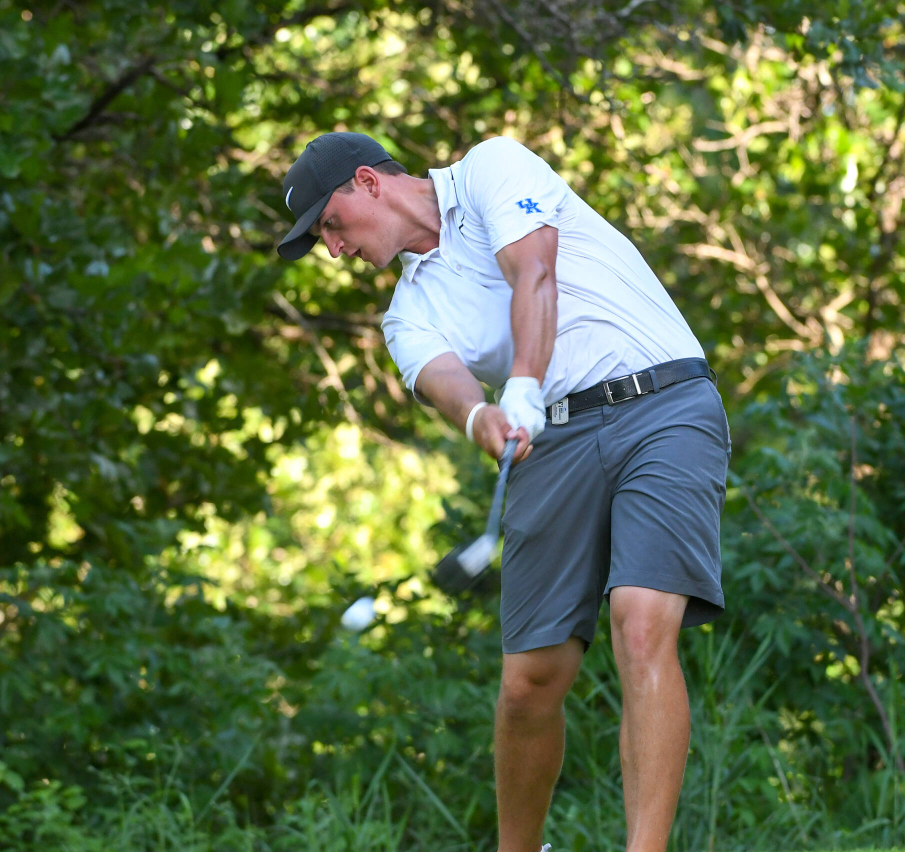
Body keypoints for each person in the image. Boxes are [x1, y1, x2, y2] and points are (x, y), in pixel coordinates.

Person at [276, 132, 730, 852]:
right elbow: (447, 384)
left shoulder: (491, 168)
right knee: (529, 686)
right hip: (551, 443)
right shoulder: (406, 312)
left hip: (662, 403)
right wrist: (483, 416)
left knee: (641, 626)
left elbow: (534, 274)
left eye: (329, 225)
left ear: (367, 182)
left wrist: (520, 381)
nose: (334, 249)